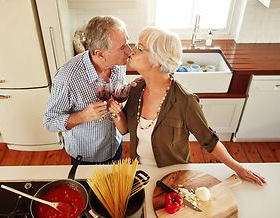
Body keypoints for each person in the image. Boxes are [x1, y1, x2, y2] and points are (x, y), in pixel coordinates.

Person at [108, 26, 266, 185]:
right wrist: (116, 112)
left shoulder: (185, 101)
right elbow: (124, 129)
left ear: (157, 61)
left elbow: (210, 141)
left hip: (173, 178)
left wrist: (239, 168)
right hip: (140, 173)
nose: (132, 51)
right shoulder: (136, 90)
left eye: (140, 48)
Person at [43, 16, 132, 164]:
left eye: (127, 42)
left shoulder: (119, 62)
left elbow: (119, 90)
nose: (129, 50)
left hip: (115, 146)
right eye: (122, 47)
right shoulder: (68, 78)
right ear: (100, 54)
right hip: (86, 158)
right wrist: (82, 116)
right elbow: (49, 122)